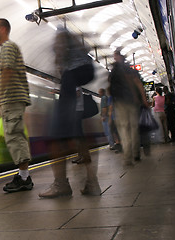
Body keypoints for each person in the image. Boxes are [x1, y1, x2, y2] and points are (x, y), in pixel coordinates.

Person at [39, 27, 101, 198]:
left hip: (72, 76)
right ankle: (92, 183)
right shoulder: (77, 43)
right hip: (82, 77)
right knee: (78, 134)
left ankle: (61, 185)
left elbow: (60, 50)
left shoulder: (60, 33)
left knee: (55, 135)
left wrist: (59, 67)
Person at [0, 18, 33, 193]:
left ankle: (24, 179)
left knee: (15, 137)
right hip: (11, 100)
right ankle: (23, 176)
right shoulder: (5, 48)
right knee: (13, 136)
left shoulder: (7, 47)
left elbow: (7, 70)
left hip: (12, 99)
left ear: (4, 29)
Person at [108, 49, 148, 165]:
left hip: (122, 103)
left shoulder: (114, 71)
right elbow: (138, 84)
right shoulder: (129, 70)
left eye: (115, 56)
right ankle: (135, 154)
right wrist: (144, 100)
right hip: (130, 102)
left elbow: (110, 87)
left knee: (124, 129)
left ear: (117, 57)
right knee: (133, 128)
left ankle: (128, 157)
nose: (114, 58)